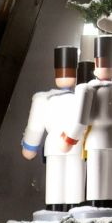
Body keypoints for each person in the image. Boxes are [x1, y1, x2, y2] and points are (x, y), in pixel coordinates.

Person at [68, 35, 112, 210]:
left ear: (96, 62)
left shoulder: (88, 89)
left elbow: (80, 121)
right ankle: (108, 209)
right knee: (110, 182)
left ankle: (102, 210)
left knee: (99, 183)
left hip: (98, 141)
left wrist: (69, 139)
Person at [21, 46, 83, 212]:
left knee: (66, 182)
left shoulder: (45, 98)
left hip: (63, 144)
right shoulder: (77, 97)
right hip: (71, 144)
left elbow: (34, 128)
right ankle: (67, 209)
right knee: (67, 181)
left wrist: (29, 147)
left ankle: (62, 209)